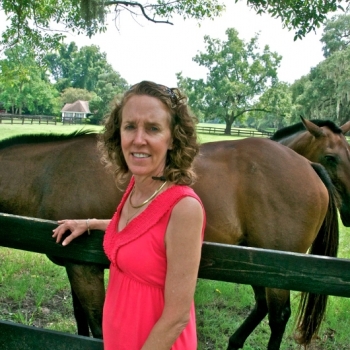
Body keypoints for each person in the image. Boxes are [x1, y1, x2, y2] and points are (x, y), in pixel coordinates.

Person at [52, 81, 206, 350]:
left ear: (173, 139)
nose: (138, 139)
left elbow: (177, 318)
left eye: (153, 128)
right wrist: (90, 224)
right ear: (118, 133)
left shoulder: (184, 208)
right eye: (130, 126)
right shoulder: (137, 188)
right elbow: (143, 233)